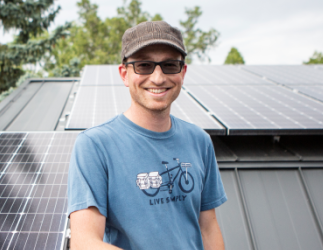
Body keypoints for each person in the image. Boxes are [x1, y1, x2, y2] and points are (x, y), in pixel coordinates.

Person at [67, 21, 227, 250]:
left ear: (183, 71)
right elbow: (84, 243)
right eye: (144, 65)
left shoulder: (199, 140)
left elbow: (208, 228)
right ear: (124, 74)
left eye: (170, 65)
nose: (158, 78)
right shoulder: (95, 145)